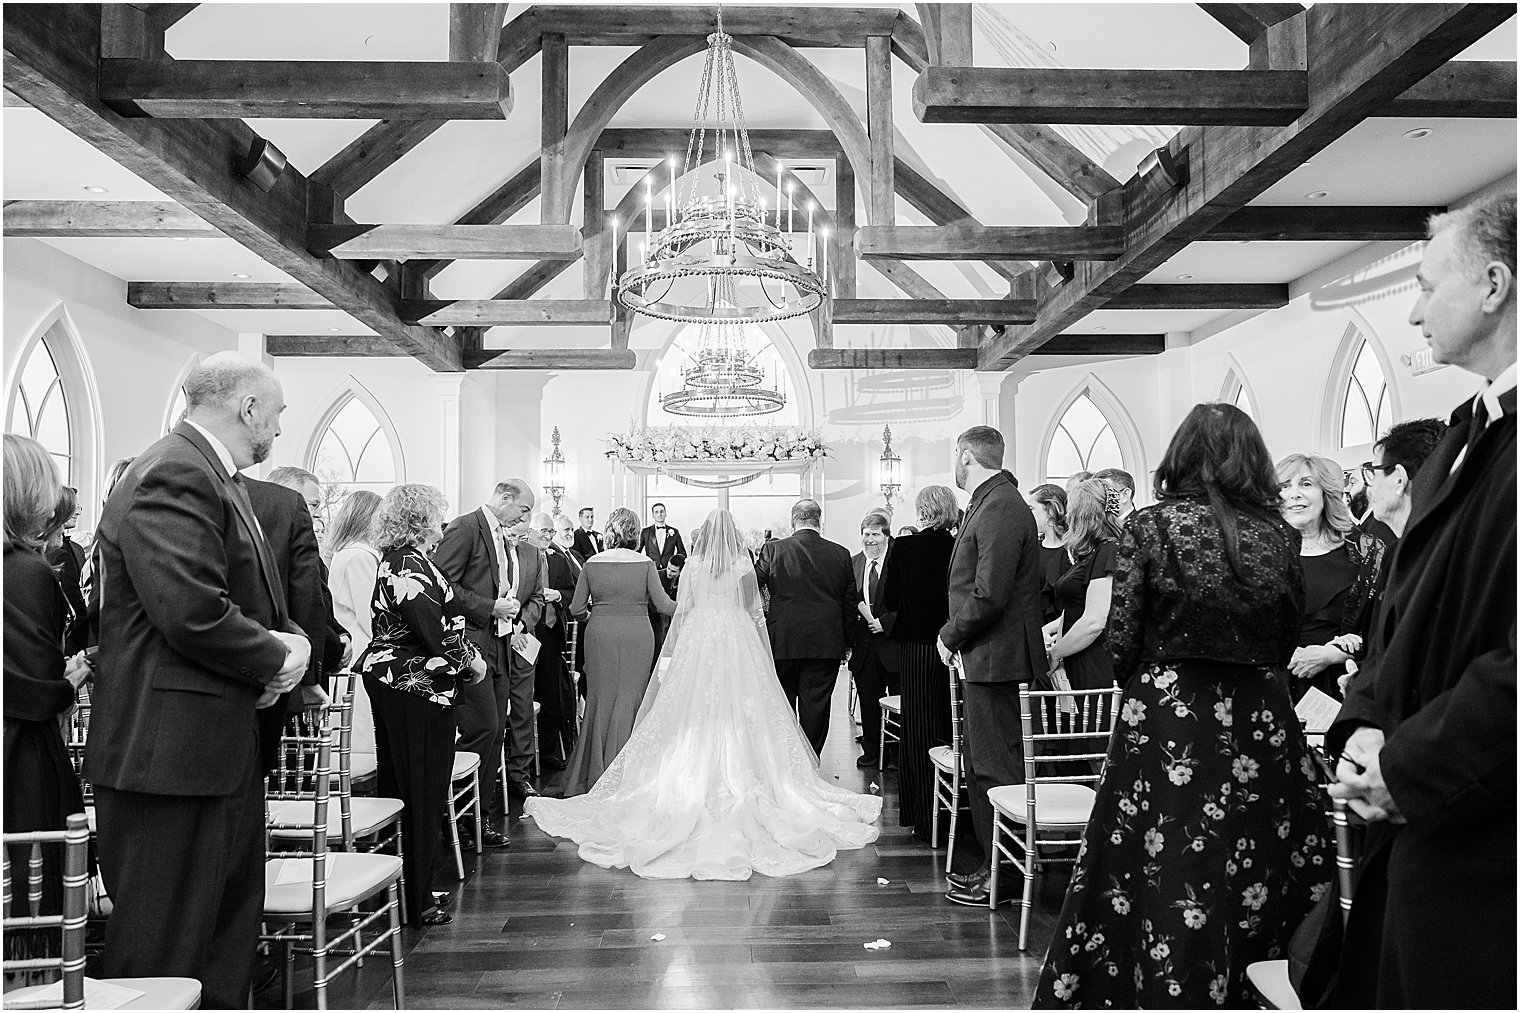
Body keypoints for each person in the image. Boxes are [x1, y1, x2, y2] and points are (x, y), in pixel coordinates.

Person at [1033, 402, 1331, 1008]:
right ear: (1253, 460)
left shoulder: (1149, 526)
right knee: (1253, 851)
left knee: (1159, 851)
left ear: (1182, 454)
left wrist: (1155, 679)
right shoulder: (1277, 533)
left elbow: (1122, 635)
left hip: (1171, 713)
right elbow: (1285, 631)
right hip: (1258, 716)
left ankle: (1153, 981)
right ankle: (1253, 980)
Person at [1326, 193, 1516, 1009]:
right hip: (1419, 827)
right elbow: (1400, 610)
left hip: (1487, 844)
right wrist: (1364, 724)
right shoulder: (1463, 436)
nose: (1411, 311)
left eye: (1427, 284)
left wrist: (1405, 763)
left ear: (1495, 284)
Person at [86, 353, 311, 1008]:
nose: (279, 427)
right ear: (248, 407)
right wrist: (279, 657)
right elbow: (191, 610)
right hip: (170, 758)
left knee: (219, 934)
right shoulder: (175, 471)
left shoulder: (212, 473)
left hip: (209, 746)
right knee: (164, 949)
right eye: (278, 412)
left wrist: (269, 653)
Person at [524, 509, 882, 879]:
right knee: (743, 709)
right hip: (737, 639)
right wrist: (759, 648)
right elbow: (752, 610)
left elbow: (683, 613)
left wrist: (675, 652)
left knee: (691, 711)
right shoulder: (743, 569)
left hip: (699, 639)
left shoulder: (693, 568)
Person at [357, 484, 487, 928]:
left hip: (400, 684)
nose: (443, 522)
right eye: (439, 513)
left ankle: (401, 891)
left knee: (404, 786)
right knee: (422, 791)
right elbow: (438, 630)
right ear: (421, 517)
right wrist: (474, 663)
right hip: (414, 687)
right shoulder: (408, 563)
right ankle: (416, 900)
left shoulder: (402, 559)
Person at [937, 427, 1048, 906]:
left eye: (954, 456)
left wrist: (949, 635)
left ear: (966, 456)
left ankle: (1001, 876)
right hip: (989, 657)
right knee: (986, 766)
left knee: (995, 770)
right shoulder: (991, 501)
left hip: (997, 658)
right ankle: (993, 866)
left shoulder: (1000, 504)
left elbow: (990, 593)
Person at [4, 437, 90, 933]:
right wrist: (71, 679)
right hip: (18, 754)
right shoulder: (24, 571)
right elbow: (36, 690)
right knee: (27, 892)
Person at [433, 478, 539, 847]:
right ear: (505, 498)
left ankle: (479, 818)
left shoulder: (501, 536)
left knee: (494, 731)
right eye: (523, 509)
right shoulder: (466, 527)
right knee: (480, 730)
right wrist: (489, 606)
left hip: (501, 642)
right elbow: (441, 586)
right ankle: (457, 820)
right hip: (474, 644)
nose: (524, 518)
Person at [560, 507, 675, 796]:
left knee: (600, 699)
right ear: (636, 533)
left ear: (609, 531)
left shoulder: (592, 563)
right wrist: (697, 603)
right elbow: (663, 606)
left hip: (600, 634)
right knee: (633, 698)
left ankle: (596, 772)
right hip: (638, 634)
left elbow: (575, 608)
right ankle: (632, 772)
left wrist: (596, 618)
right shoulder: (646, 563)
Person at [877, 485, 957, 842]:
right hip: (952, 645)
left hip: (915, 647)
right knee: (948, 724)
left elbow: (889, 597)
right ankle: (956, 815)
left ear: (923, 511)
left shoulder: (904, 547)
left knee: (918, 729)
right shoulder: (956, 546)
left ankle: (922, 816)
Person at [245, 465, 336, 768]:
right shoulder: (285, 507)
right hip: (284, 665)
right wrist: (310, 677)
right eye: (313, 505)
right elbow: (306, 599)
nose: (317, 515)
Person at [755, 499, 857, 756]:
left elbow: (751, 584)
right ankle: (810, 764)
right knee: (817, 708)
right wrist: (847, 643)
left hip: (783, 640)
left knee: (783, 704)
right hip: (826, 642)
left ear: (793, 521)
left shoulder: (773, 550)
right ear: (818, 521)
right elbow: (849, 603)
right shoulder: (841, 553)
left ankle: (787, 765)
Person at [1276, 453, 1366, 699]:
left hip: (1342, 685)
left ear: (1325, 494)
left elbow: (1384, 628)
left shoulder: (1362, 551)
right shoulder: (1259, 556)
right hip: (1275, 689)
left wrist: (1333, 654)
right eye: (1285, 486)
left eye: (1306, 484)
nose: (1295, 494)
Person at [326, 490, 383, 762]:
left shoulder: (346, 553)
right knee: (360, 741)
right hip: (362, 651)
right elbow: (372, 614)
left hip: (356, 649)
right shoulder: (359, 556)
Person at [1046, 479, 1119, 690]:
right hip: (1078, 656)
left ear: (1083, 514)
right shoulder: (1095, 552)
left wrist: (1056, 653)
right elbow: (1075, 608)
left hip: (1095, 661)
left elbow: (1094, 621)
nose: (1068, 517)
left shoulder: (1108, 551)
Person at [847, 509, 899, 768]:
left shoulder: (898, 562)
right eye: (866, 535)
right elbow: (848, 599)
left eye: (875, 534)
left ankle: (899, 753)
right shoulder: (854, 562)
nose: (870, 540)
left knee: (900, 702)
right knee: (868, 702)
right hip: (864, 647)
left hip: (893, 645)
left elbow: (907, 601)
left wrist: (885, 624)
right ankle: (872, 751)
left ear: (886, 536)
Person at [527, 512, 578, 771]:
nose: (548, 536)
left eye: (550, 532)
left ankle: (546, 752)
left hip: (551, 632)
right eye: (543, 531)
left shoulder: (558, 560)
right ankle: (523, 757)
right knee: (526, 695)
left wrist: (558, 595)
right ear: (531, 531)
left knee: (550, 696)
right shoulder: (522, 555)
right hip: (526, 632)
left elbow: (572, 592)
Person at [639, 502, 687, 656]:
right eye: (656, 512)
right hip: (652, 574)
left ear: (665, 514)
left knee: (668, 607)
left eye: (662, 511)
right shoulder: (645, 532)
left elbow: (682, 553)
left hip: (669, 576)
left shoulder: (674, 532)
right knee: (654, 608)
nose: (659, 514)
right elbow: (638, 551)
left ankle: (669, 644)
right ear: (653, 515)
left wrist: (675, 567)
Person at [44, 486, 88, 655]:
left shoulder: (74, 548)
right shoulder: (56, 556)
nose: (78, 512)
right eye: (73, 507)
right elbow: (75, 614)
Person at [1028, 483, 1069, 627]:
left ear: (1050, 511)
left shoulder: (1072, 552)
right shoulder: (1031, 549)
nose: (1027, 514)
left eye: (1031, 509)